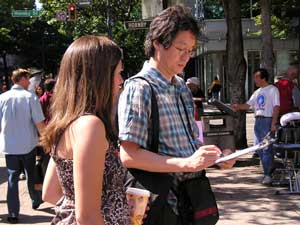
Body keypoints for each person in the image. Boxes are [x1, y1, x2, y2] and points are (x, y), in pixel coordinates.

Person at [118, 5, 235, 224]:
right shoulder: (140, 88)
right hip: (161, 203)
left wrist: (216, 157)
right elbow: (129, 156)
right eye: (181, 48)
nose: (186, 57)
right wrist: (187, 163)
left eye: (190, 50)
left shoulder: (180, 86)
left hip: (191, 201)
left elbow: (189, 145)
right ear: (158, 43)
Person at [40, 35, 130, 225]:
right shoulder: (91, 126)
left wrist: (118, 206)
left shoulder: (66, 122)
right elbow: (87, 217)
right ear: (99, 75)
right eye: (118, 73)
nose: (121, 80)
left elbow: (50, 192)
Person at [0, 68, 45, 224]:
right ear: (24, 79)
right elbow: (39, 122)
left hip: (10, 145)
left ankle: (13, 212)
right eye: (29, 79)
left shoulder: (2, 98)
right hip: (28, 144)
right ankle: (35, 199)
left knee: (12, 178)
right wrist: (45, 139)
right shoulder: (30, 97)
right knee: (30, 174)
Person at [232, 68, 280, 185]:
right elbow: (248, 105)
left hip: (267, 120)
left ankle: (268, 174)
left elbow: (276, 107)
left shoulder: (273, 90)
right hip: (258, 121)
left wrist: (273, 123)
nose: (255, 80)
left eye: (257, 77)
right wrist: (238, 106)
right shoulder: (257, 92)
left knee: (266, 148)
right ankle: (267, 172)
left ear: (263, 78)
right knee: (259, 149)